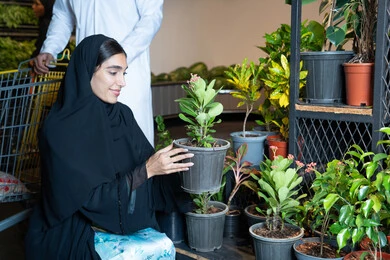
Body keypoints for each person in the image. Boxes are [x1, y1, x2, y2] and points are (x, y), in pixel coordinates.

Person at [25, 34, 194, 259]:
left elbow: (151, 172)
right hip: (73, 229)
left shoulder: (121, 115)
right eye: (113, 72)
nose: (122, 82)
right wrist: (148, 170)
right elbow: (87, 201)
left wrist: (187, 165)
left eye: (123, 73)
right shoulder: (59, 129)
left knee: (161, 245)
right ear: (87, 71)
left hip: (117, 219)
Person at [33, 0, 163, 146]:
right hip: (87, 74)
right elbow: (63, 15)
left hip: (127, 75)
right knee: (89, 141)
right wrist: (50, 48)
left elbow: (151, 18)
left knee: (130, 142)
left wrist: (117, 56)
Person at [29, 0, 55, 68]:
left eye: (37, 4)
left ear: (47, 6)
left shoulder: (48, 25)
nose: (33, 6)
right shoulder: (44, 22)